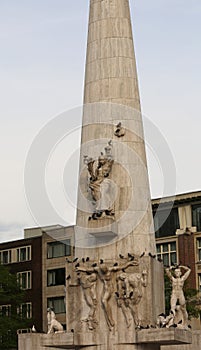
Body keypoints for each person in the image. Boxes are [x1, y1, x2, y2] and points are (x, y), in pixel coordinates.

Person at [76, 259, 139, 330]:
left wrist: (129, 263)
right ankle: (109, 321)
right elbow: (88, 269)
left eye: (106, 270)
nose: (105, 271)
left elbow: (121, 267)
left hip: (110, 288)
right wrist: (81, 269)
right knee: (103, 303)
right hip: (104, 288)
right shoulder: (98, 270)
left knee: (104, 301)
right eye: (104, 270)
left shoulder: (110, 269)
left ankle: (110, 319)